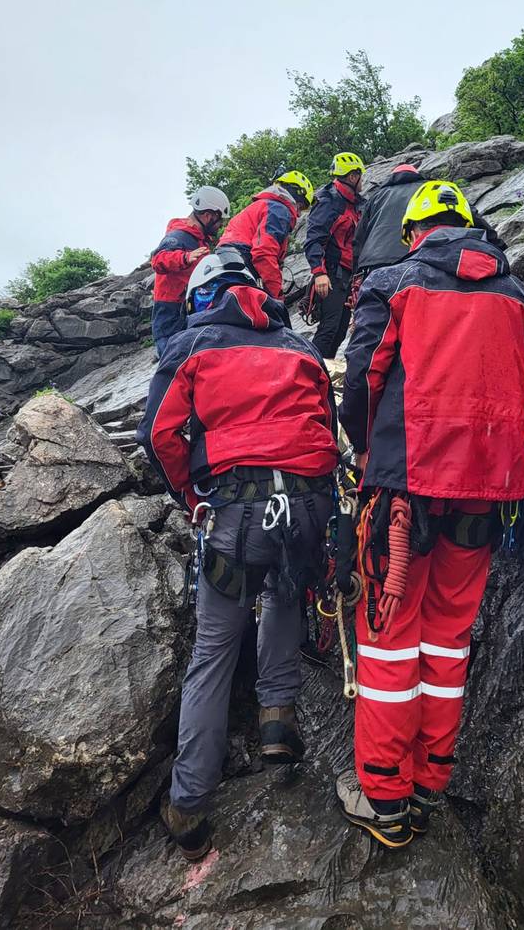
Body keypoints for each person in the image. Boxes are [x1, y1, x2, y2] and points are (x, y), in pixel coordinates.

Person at [335, 180, 524, 849]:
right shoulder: (514, 295)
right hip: (485, 500)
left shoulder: (394, 282)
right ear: (470, 223)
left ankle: (385, 796)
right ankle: (431, 780)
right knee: (446, 641)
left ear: (414, 232)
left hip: (404, 494)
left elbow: (362, 383)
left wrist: (371, 459)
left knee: (390, 641)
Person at [136, 248, 339, 861]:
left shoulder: (190, 348)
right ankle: (277, 716)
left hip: (232, 511)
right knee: (283, 593)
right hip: (304, 508)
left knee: (215, 647)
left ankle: (190, 802)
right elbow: (326, 426)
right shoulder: (299, 347)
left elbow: (158, 434)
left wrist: (191, 492)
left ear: (200, 297)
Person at [352, 163, 504, 279]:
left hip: (375, 265)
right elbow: (470, 215)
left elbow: (359, 237)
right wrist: (497, 244)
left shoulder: (376, 197)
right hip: (418, 258)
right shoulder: (428, 190)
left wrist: (355, 270)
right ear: (416, 174)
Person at [150, 186, 231, 354]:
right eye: (219, 220)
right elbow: (158, 260)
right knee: (174, 361)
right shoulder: (178, 236)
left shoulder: (199, 240)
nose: (220, 225)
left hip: (188, 306)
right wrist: (185, 257)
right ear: (208, 215)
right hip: (171, 312)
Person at [218, 171, 315, 301]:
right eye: (301, 206)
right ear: (294, 196)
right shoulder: (278, 210)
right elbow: (263, 254)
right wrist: (277, 297)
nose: (298, 214)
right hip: (242, 259)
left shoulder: (260, 205)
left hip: (226, 259)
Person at [304, 152, 364, 358]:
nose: (362, 181)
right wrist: (319, 273)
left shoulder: (355, 204)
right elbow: (314, 239)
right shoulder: (329, 201)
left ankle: (324, 375)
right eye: (361, 177)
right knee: (329, 328)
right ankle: (312, 371)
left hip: (347, 276)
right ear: (353, 177)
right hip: (331, 273)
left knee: (339, 331)